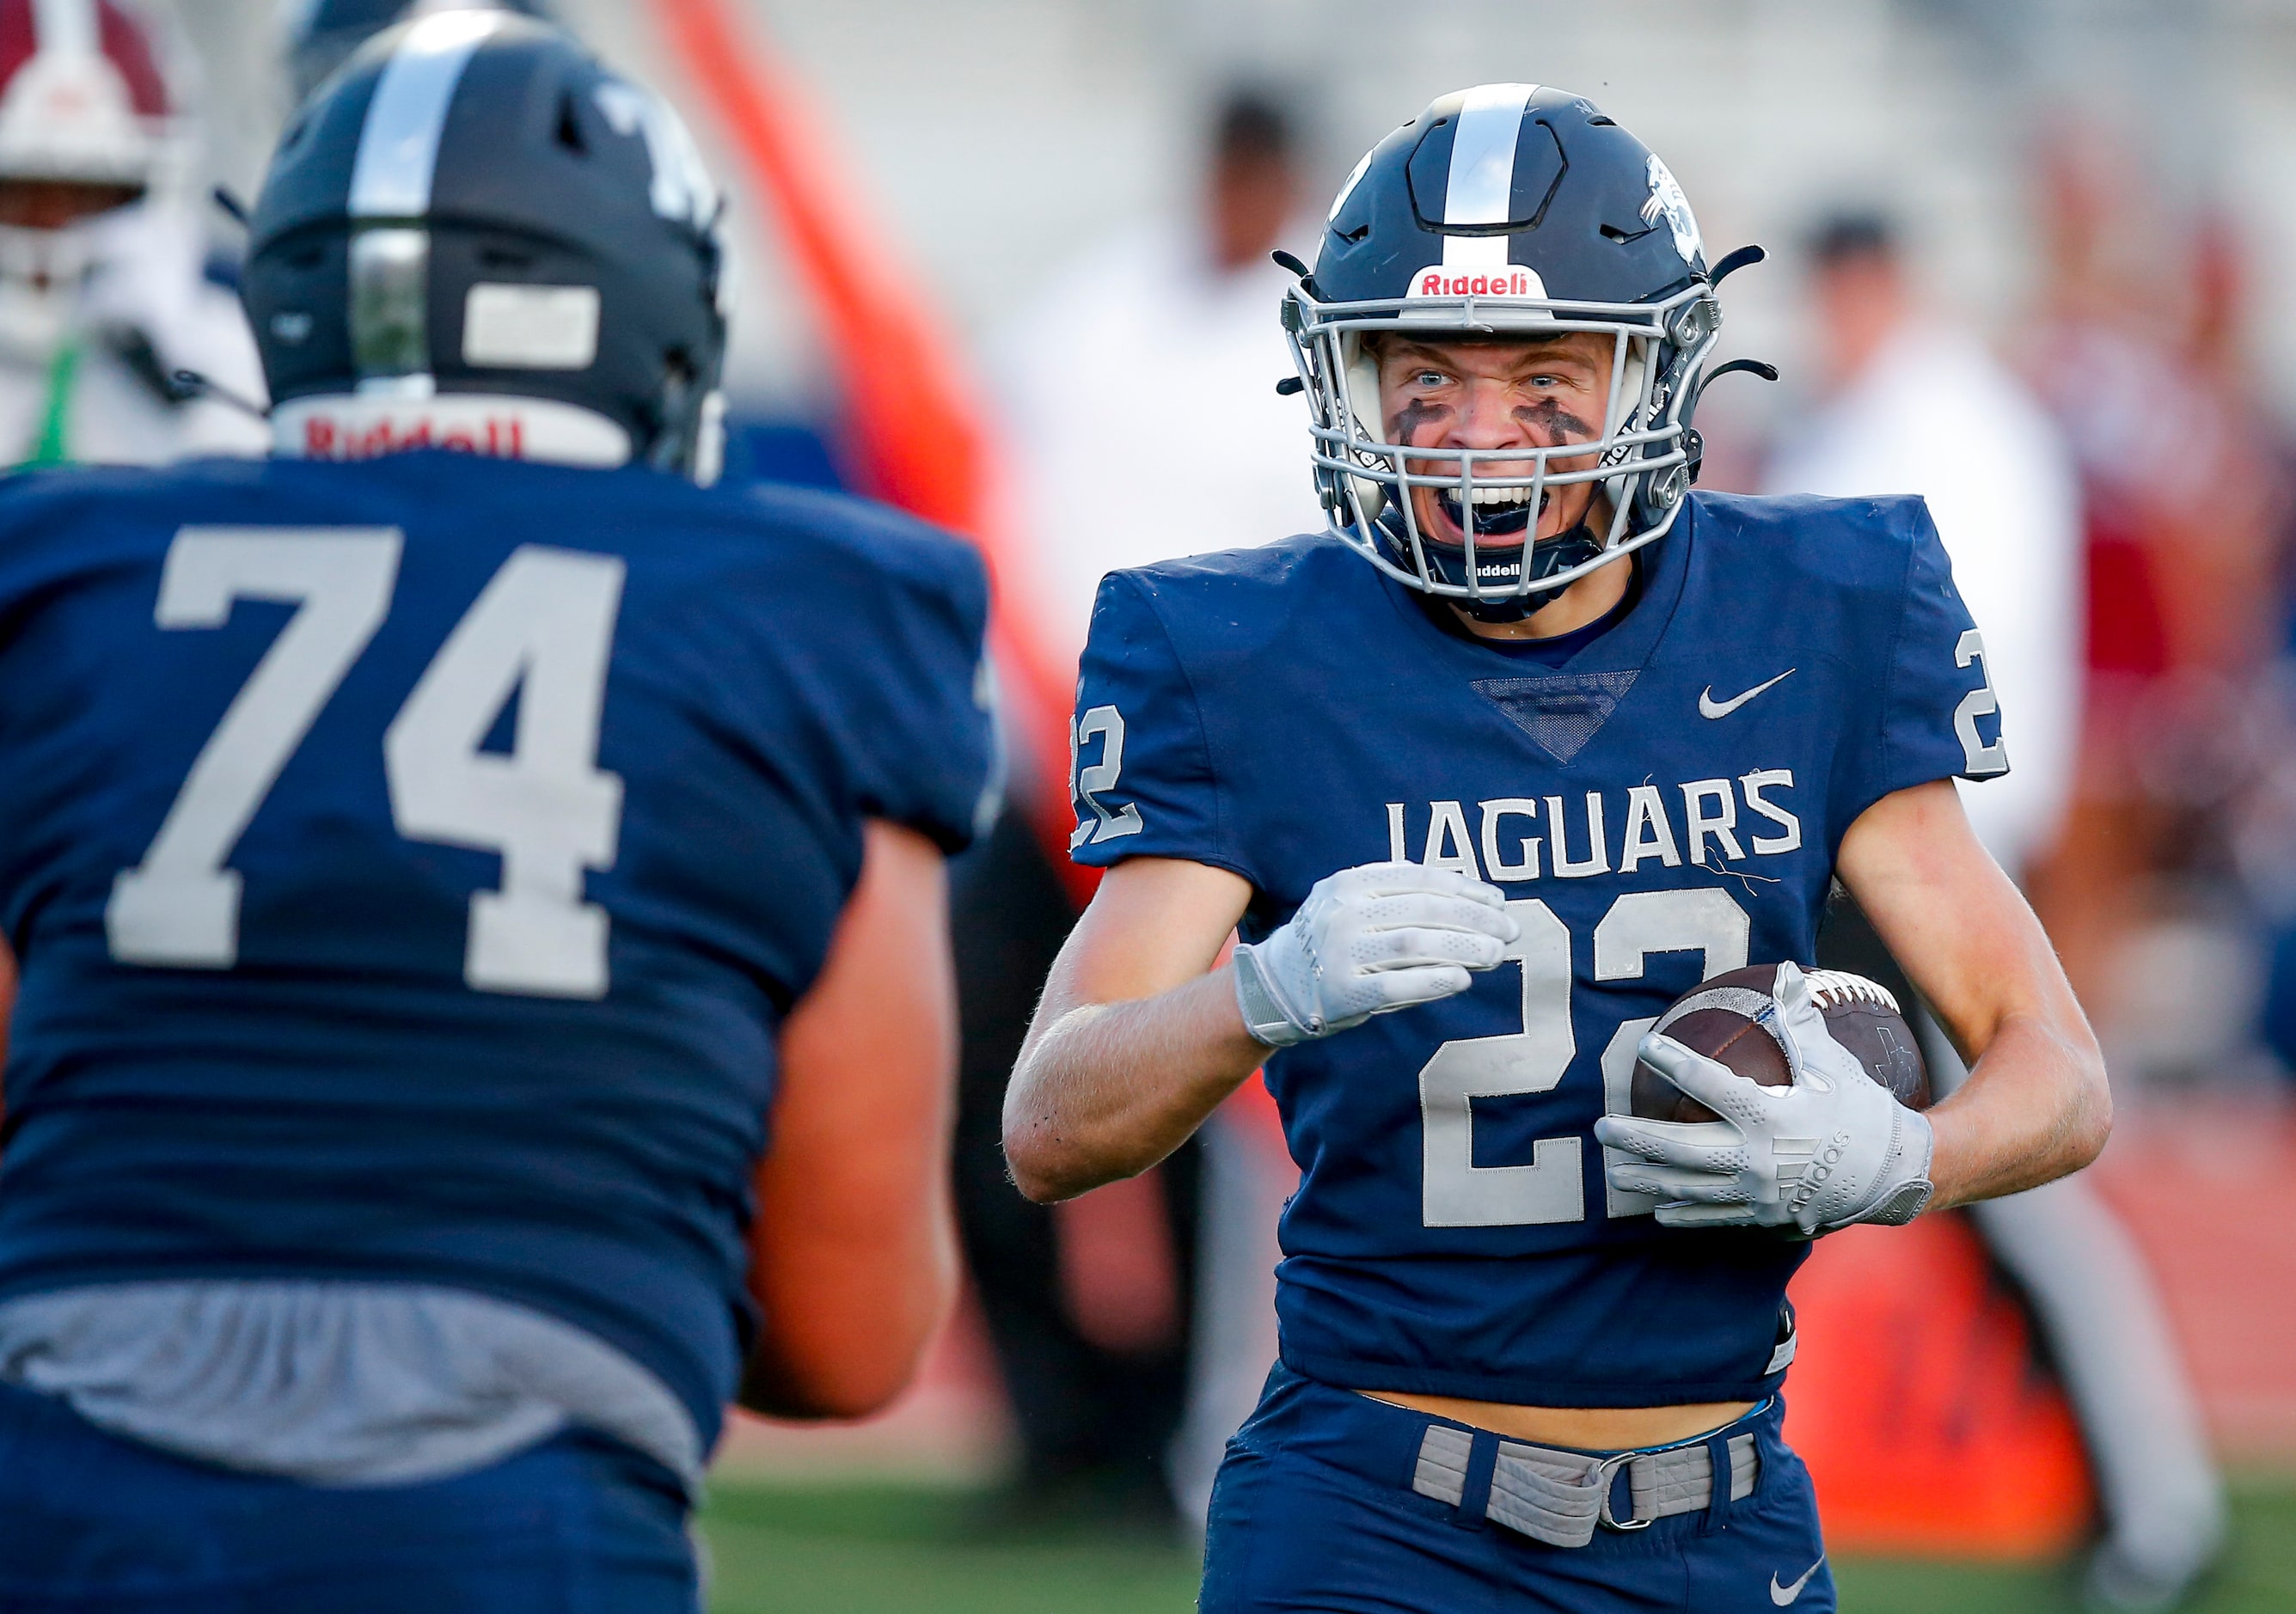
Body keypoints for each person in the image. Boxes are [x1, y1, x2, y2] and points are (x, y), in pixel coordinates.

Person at [1003, 83, 2110, 1613]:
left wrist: (1907, 1156)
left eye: (1544, 379)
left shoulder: (1817, 610)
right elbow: (1050, 1122)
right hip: (1369, 1510)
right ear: (1346, 378)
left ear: (1655, 377)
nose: (1476, 436)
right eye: (1426, 374)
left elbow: (2056, 1069)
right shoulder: (1249, 651)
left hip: (1719, 1511)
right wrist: (1256, 992)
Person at [0, 14, 994, 1610]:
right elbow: (849, 1329)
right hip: (508, 1511)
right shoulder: (817, 608)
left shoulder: (61, 569)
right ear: (655, 310)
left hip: (59, 1500)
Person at [1767, 211, 2224, 1613]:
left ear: (1879, 284)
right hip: (1894, 852)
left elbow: (1940, 680)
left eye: (1842, 288)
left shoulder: (1940, 427)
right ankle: (2144, 1500)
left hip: (1933, 856)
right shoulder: (1907, 420)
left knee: (2011, 1179)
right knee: (1947, 1184)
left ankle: (2155, 1501)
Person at [955, 86, 1318, 1531]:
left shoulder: (1305, 339)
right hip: (1049, 754)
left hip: (1212, 789)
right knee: (988, 1078)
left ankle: (1181, 1422)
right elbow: (987, 446)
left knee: (1192, 1092)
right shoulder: (1102, 300)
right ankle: (1059, 1414)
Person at [0, 0, 266, 467]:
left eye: (91, 196)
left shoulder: (226, 360)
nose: (54, 228)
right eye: (19, 193)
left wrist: (170, 392)